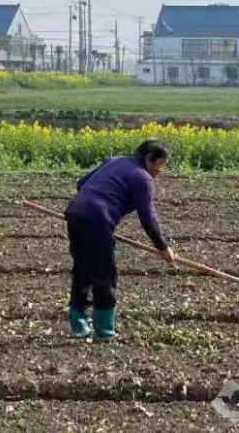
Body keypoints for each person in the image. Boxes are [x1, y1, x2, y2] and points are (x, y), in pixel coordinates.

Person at [64, 139, 175, 339]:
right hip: (97, 220)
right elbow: (148, 216)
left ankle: (78, 323)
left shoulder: (116, 160)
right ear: (149, 159)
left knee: (82, 268)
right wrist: (163, 247)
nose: (161, 170)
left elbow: (81, 183)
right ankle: (104, 330)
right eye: (160, 164)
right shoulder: (143, 178)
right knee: (105, 273)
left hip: (75, 213)